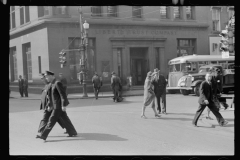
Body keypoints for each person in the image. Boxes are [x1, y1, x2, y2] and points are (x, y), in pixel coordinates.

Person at [36, 71, 77, 141]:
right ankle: (72, 132)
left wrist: (63, 105)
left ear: (51, 76)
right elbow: (50, 97)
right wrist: (49, 105)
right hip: (54, 106)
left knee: (51, 121)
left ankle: (43, 135)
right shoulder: (51, 84)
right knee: (65, 119)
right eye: (45, 77)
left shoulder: (57, 83)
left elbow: (62, 94)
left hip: (58, 106)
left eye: (47, 76)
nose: (46, 78)